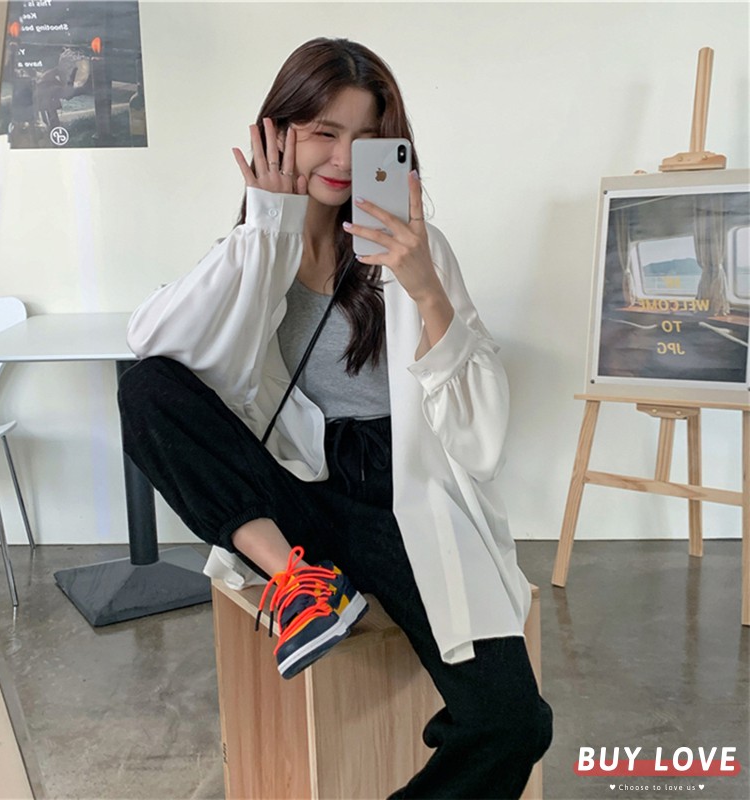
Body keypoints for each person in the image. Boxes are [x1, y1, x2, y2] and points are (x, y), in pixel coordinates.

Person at [118, 37, 552, 799]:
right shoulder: (256, 248)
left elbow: (481, 431)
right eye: (324, 131)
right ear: (277, 133)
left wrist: (424, 287)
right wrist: (268, 225)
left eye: (367, 137)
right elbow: (156, 346)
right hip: (295, 493)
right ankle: (300, 586)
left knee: (512, 722)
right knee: (146, 387)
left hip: (402, 494)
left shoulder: (417, 249)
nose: (346, 158)